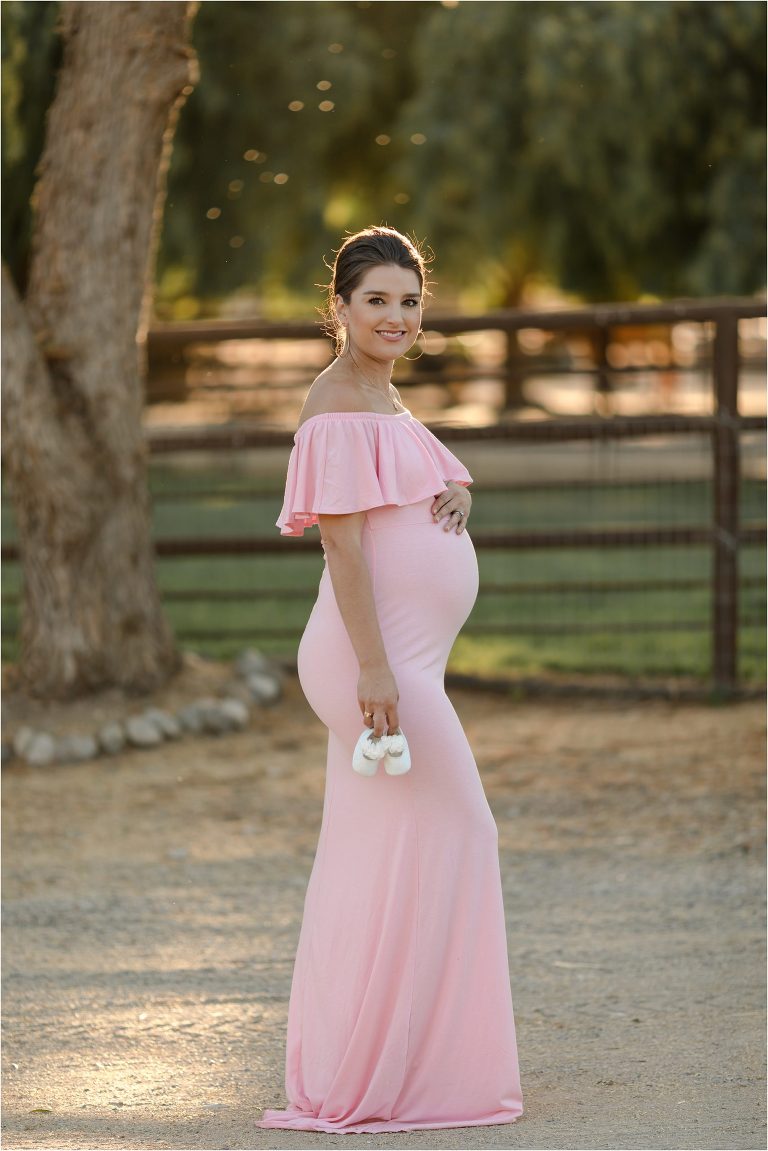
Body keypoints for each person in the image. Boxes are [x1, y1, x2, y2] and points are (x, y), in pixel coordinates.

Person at [256, 226, 523, 1134]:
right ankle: (406, 1070)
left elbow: (423, 485)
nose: (397, 316)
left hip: (403, 657)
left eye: (410, 301)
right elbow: (343, 543)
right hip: (376, 661)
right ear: (338, 308)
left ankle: (390, 1066)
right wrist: (376, 667)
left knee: (384, 856)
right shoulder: (334, 400)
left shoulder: (384, 396)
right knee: (464, 830)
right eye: (377, 300)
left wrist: (460, 498)